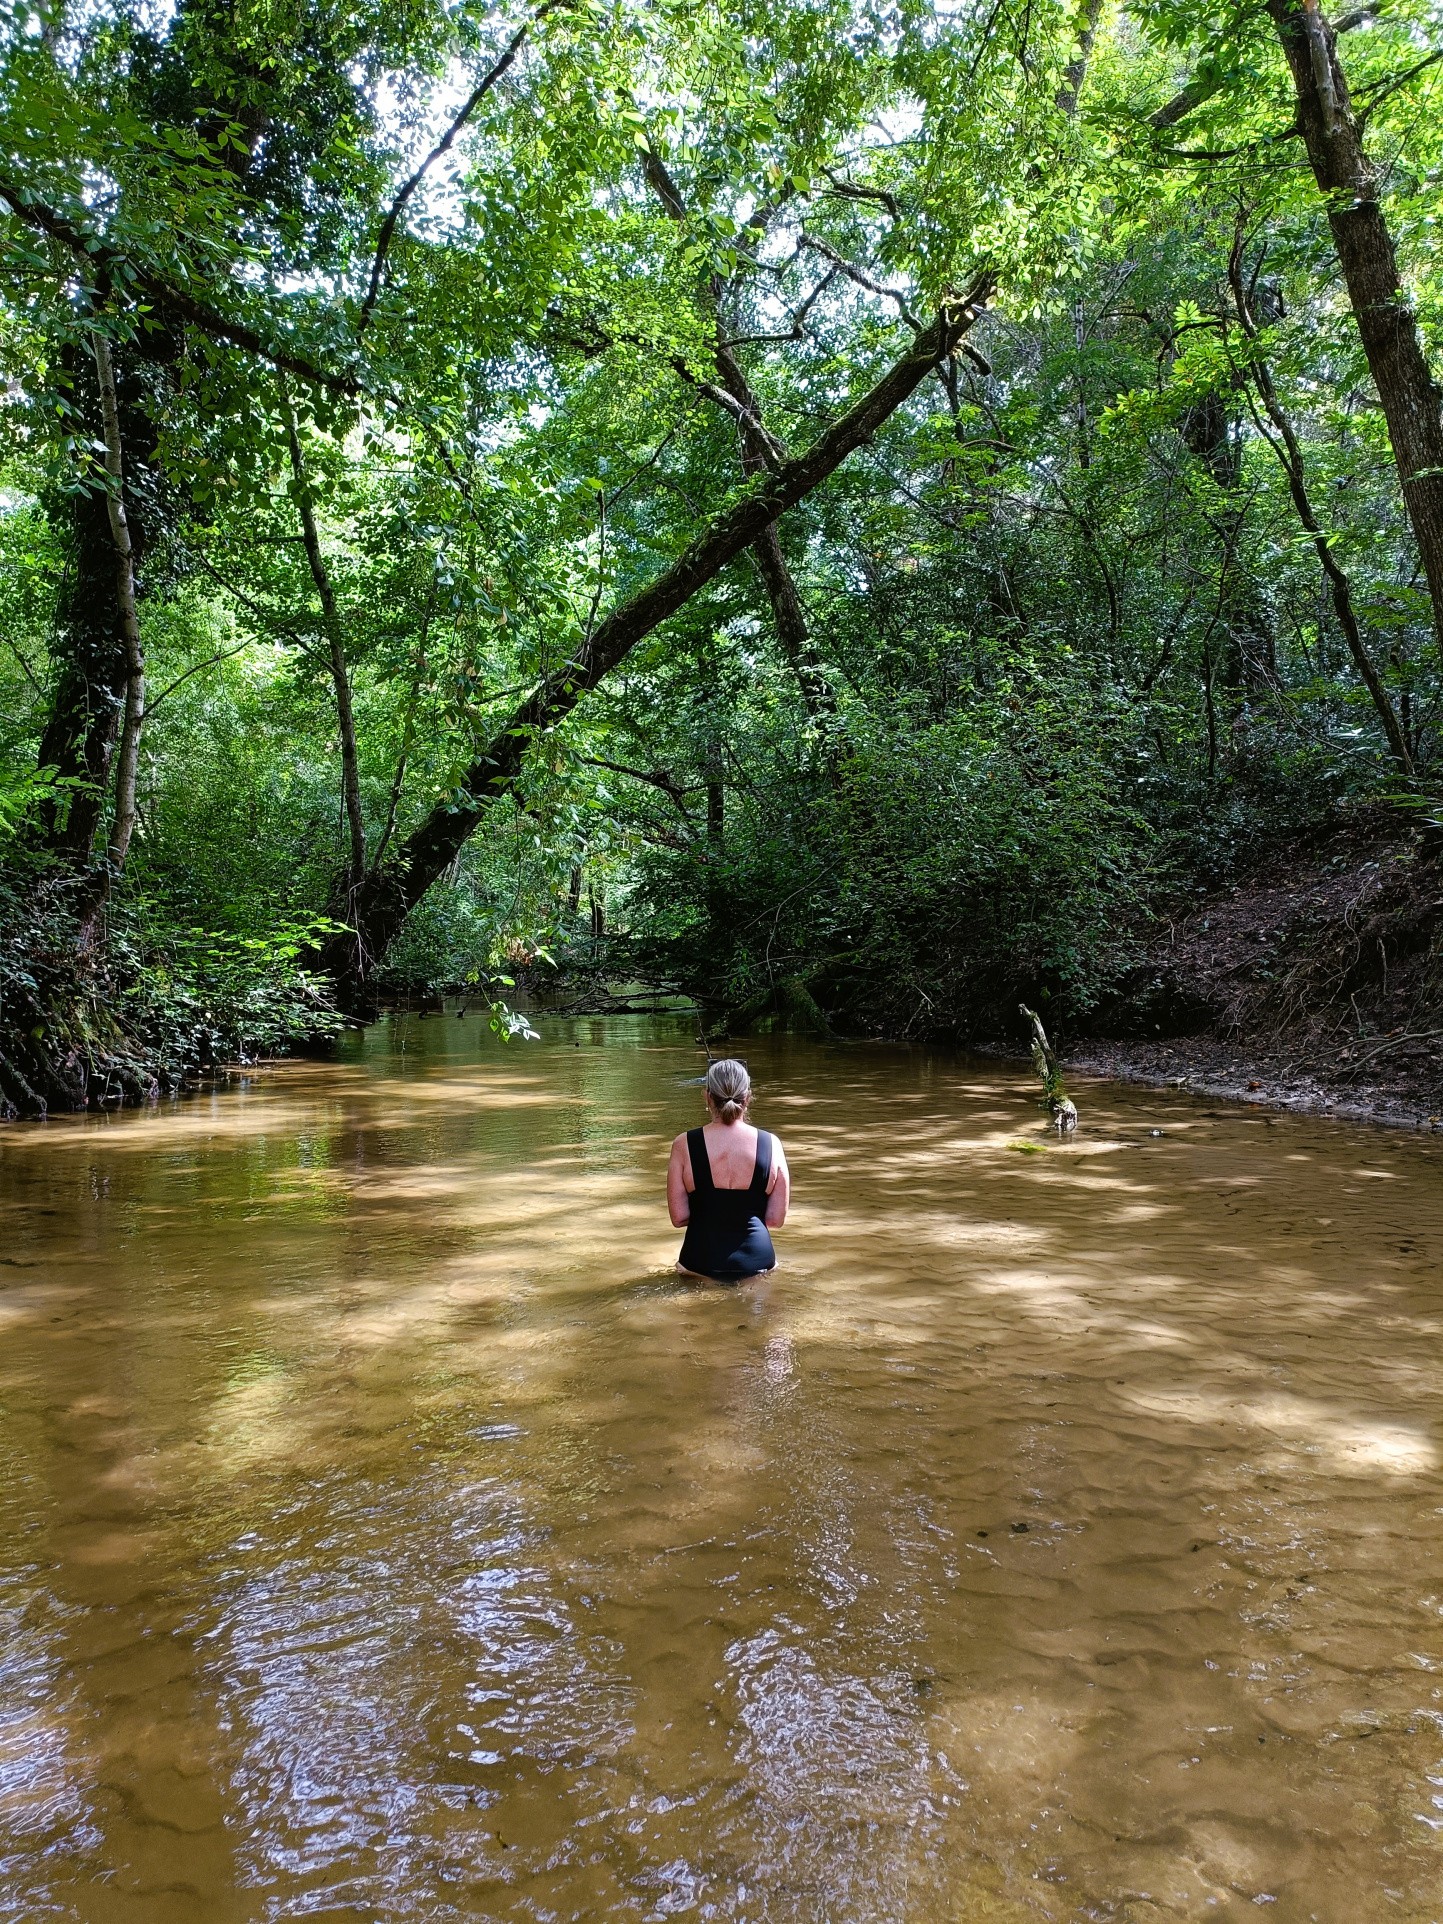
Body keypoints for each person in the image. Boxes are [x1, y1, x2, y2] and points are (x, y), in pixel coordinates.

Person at [668, 1058, 790, 1281]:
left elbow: (679, 1217)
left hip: (699, 1260)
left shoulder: (684, 1144)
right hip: (758, 1263)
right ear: (748, 1098)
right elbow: (775, 1219)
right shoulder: (771, 1143)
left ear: (707, 1096)